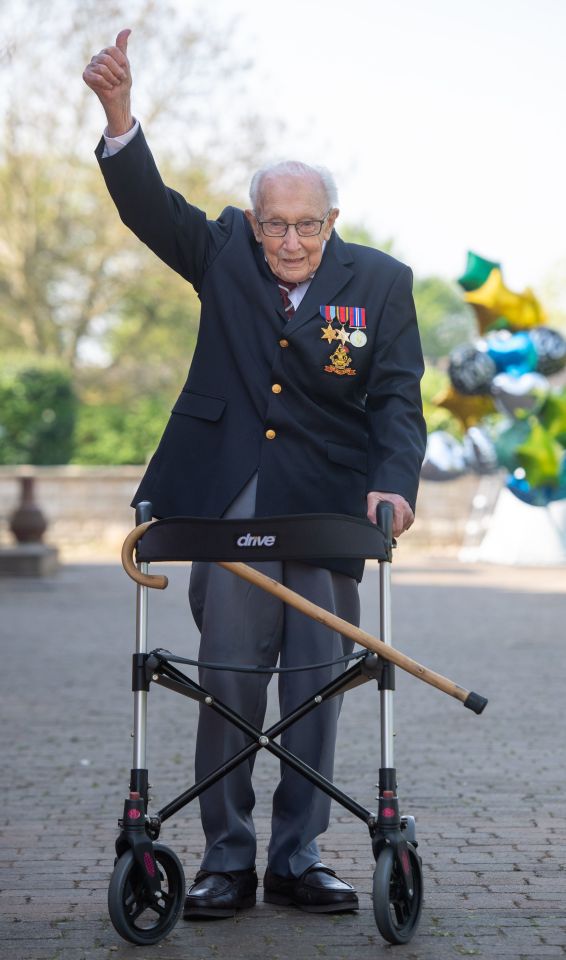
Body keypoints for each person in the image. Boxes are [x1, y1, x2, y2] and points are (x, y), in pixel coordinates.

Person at [83, 29, 427, 921]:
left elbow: (396, 397)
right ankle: (226, 859)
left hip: (329, 500)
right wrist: (121, 117)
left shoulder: (382, 283)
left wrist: (395, 483)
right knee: (231, 678)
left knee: (318, 679)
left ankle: (298, 856)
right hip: (227, 498)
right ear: (254, 218)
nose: (290, 239)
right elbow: (151, 209)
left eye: (308, 224)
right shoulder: (225, 251)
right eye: (275, 222)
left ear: (333, 222)